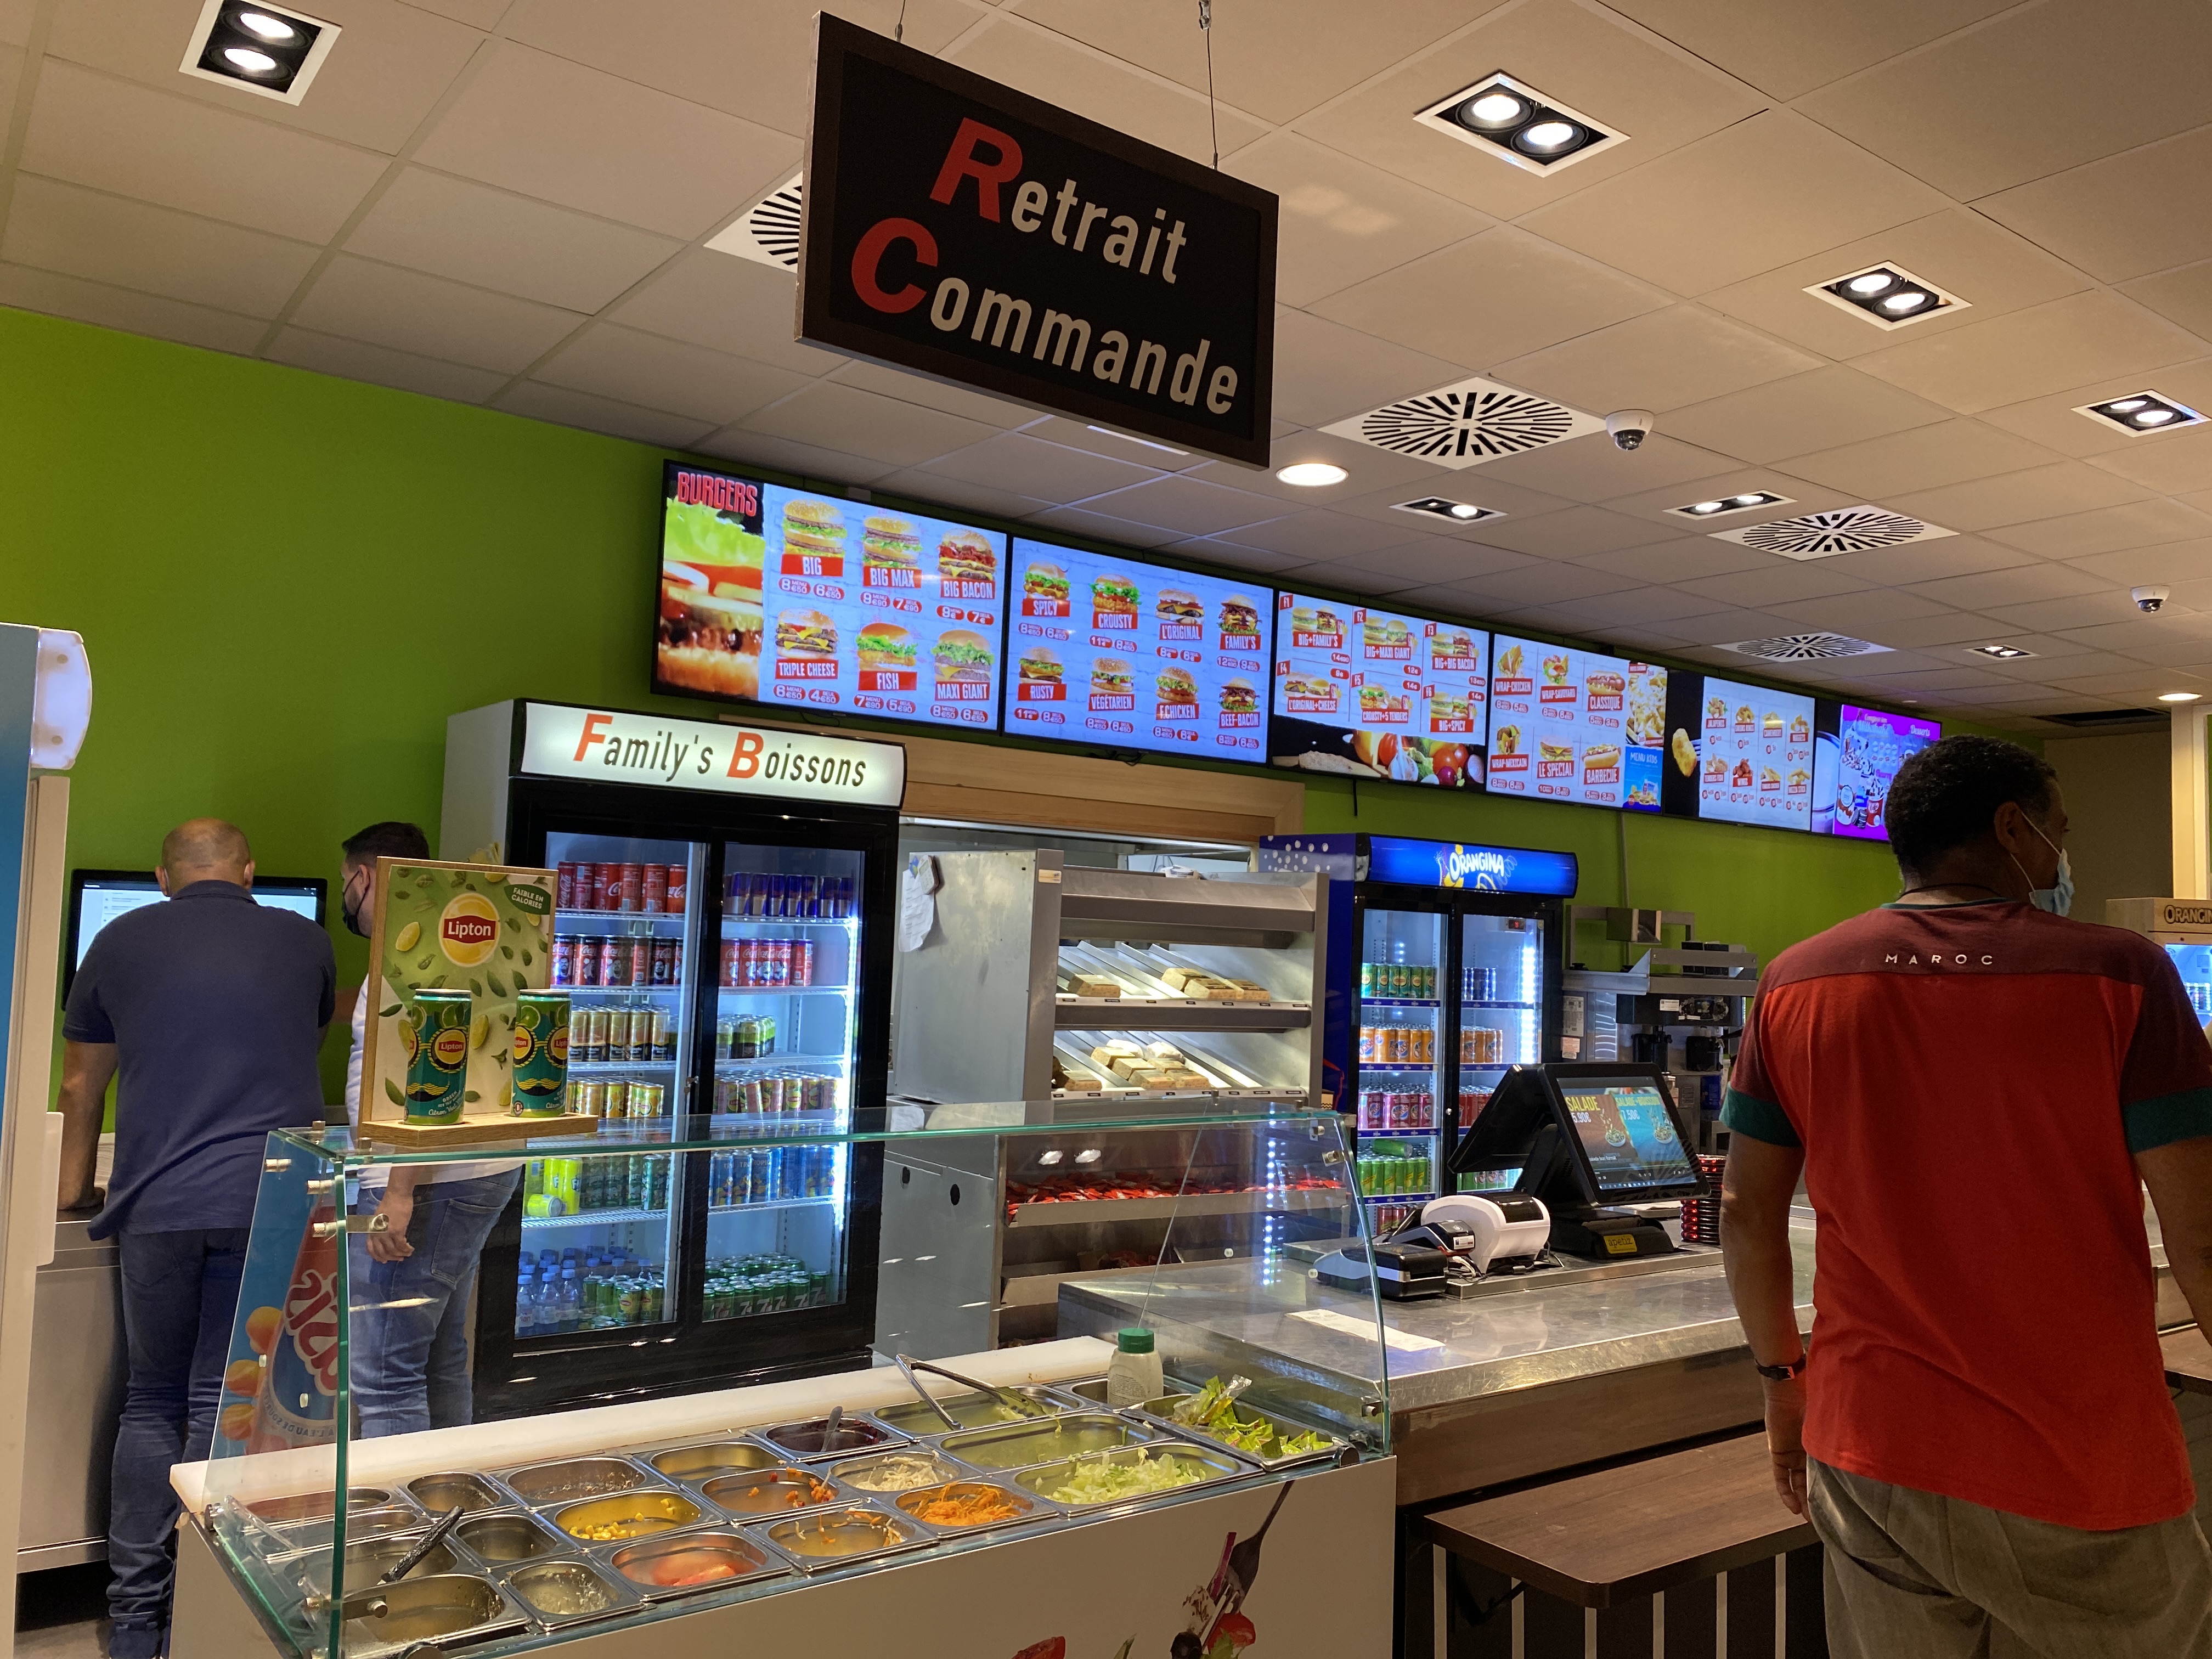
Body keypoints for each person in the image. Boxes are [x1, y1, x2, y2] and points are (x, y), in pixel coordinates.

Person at [1720, 735, 2212, 1657]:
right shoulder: (2122, 975)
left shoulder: (1795, 980)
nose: (2063, 858)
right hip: (2077, 1455)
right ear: (2013, 829)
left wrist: (1783, 1386)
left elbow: (1746, 1211)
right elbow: (2204, 1235)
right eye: (2061, 831)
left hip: (1870, 1447)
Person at [56, 819, 334, 1659]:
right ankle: (207, 1613)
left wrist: (72, 1190)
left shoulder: (116, 939)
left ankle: (136, 1623)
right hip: (268, 1203)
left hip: (157, 1203)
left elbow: (81, 1085)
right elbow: (300, 1043)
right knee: (223, 1405)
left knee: (151, 1399)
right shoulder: (307, 941)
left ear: (161, 876)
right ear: (248, 871)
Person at [336, 822, 521, 1437]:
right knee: (439, 1358)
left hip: (427, 1179)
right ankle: (445, 1494)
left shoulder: (413, 953)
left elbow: (430, 1077)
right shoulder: (463, 934)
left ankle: (401, 1505)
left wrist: (398, 1188)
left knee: (384, 1376)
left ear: (367, 878)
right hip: (478, 1168)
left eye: (347, 883)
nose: (348, 900)